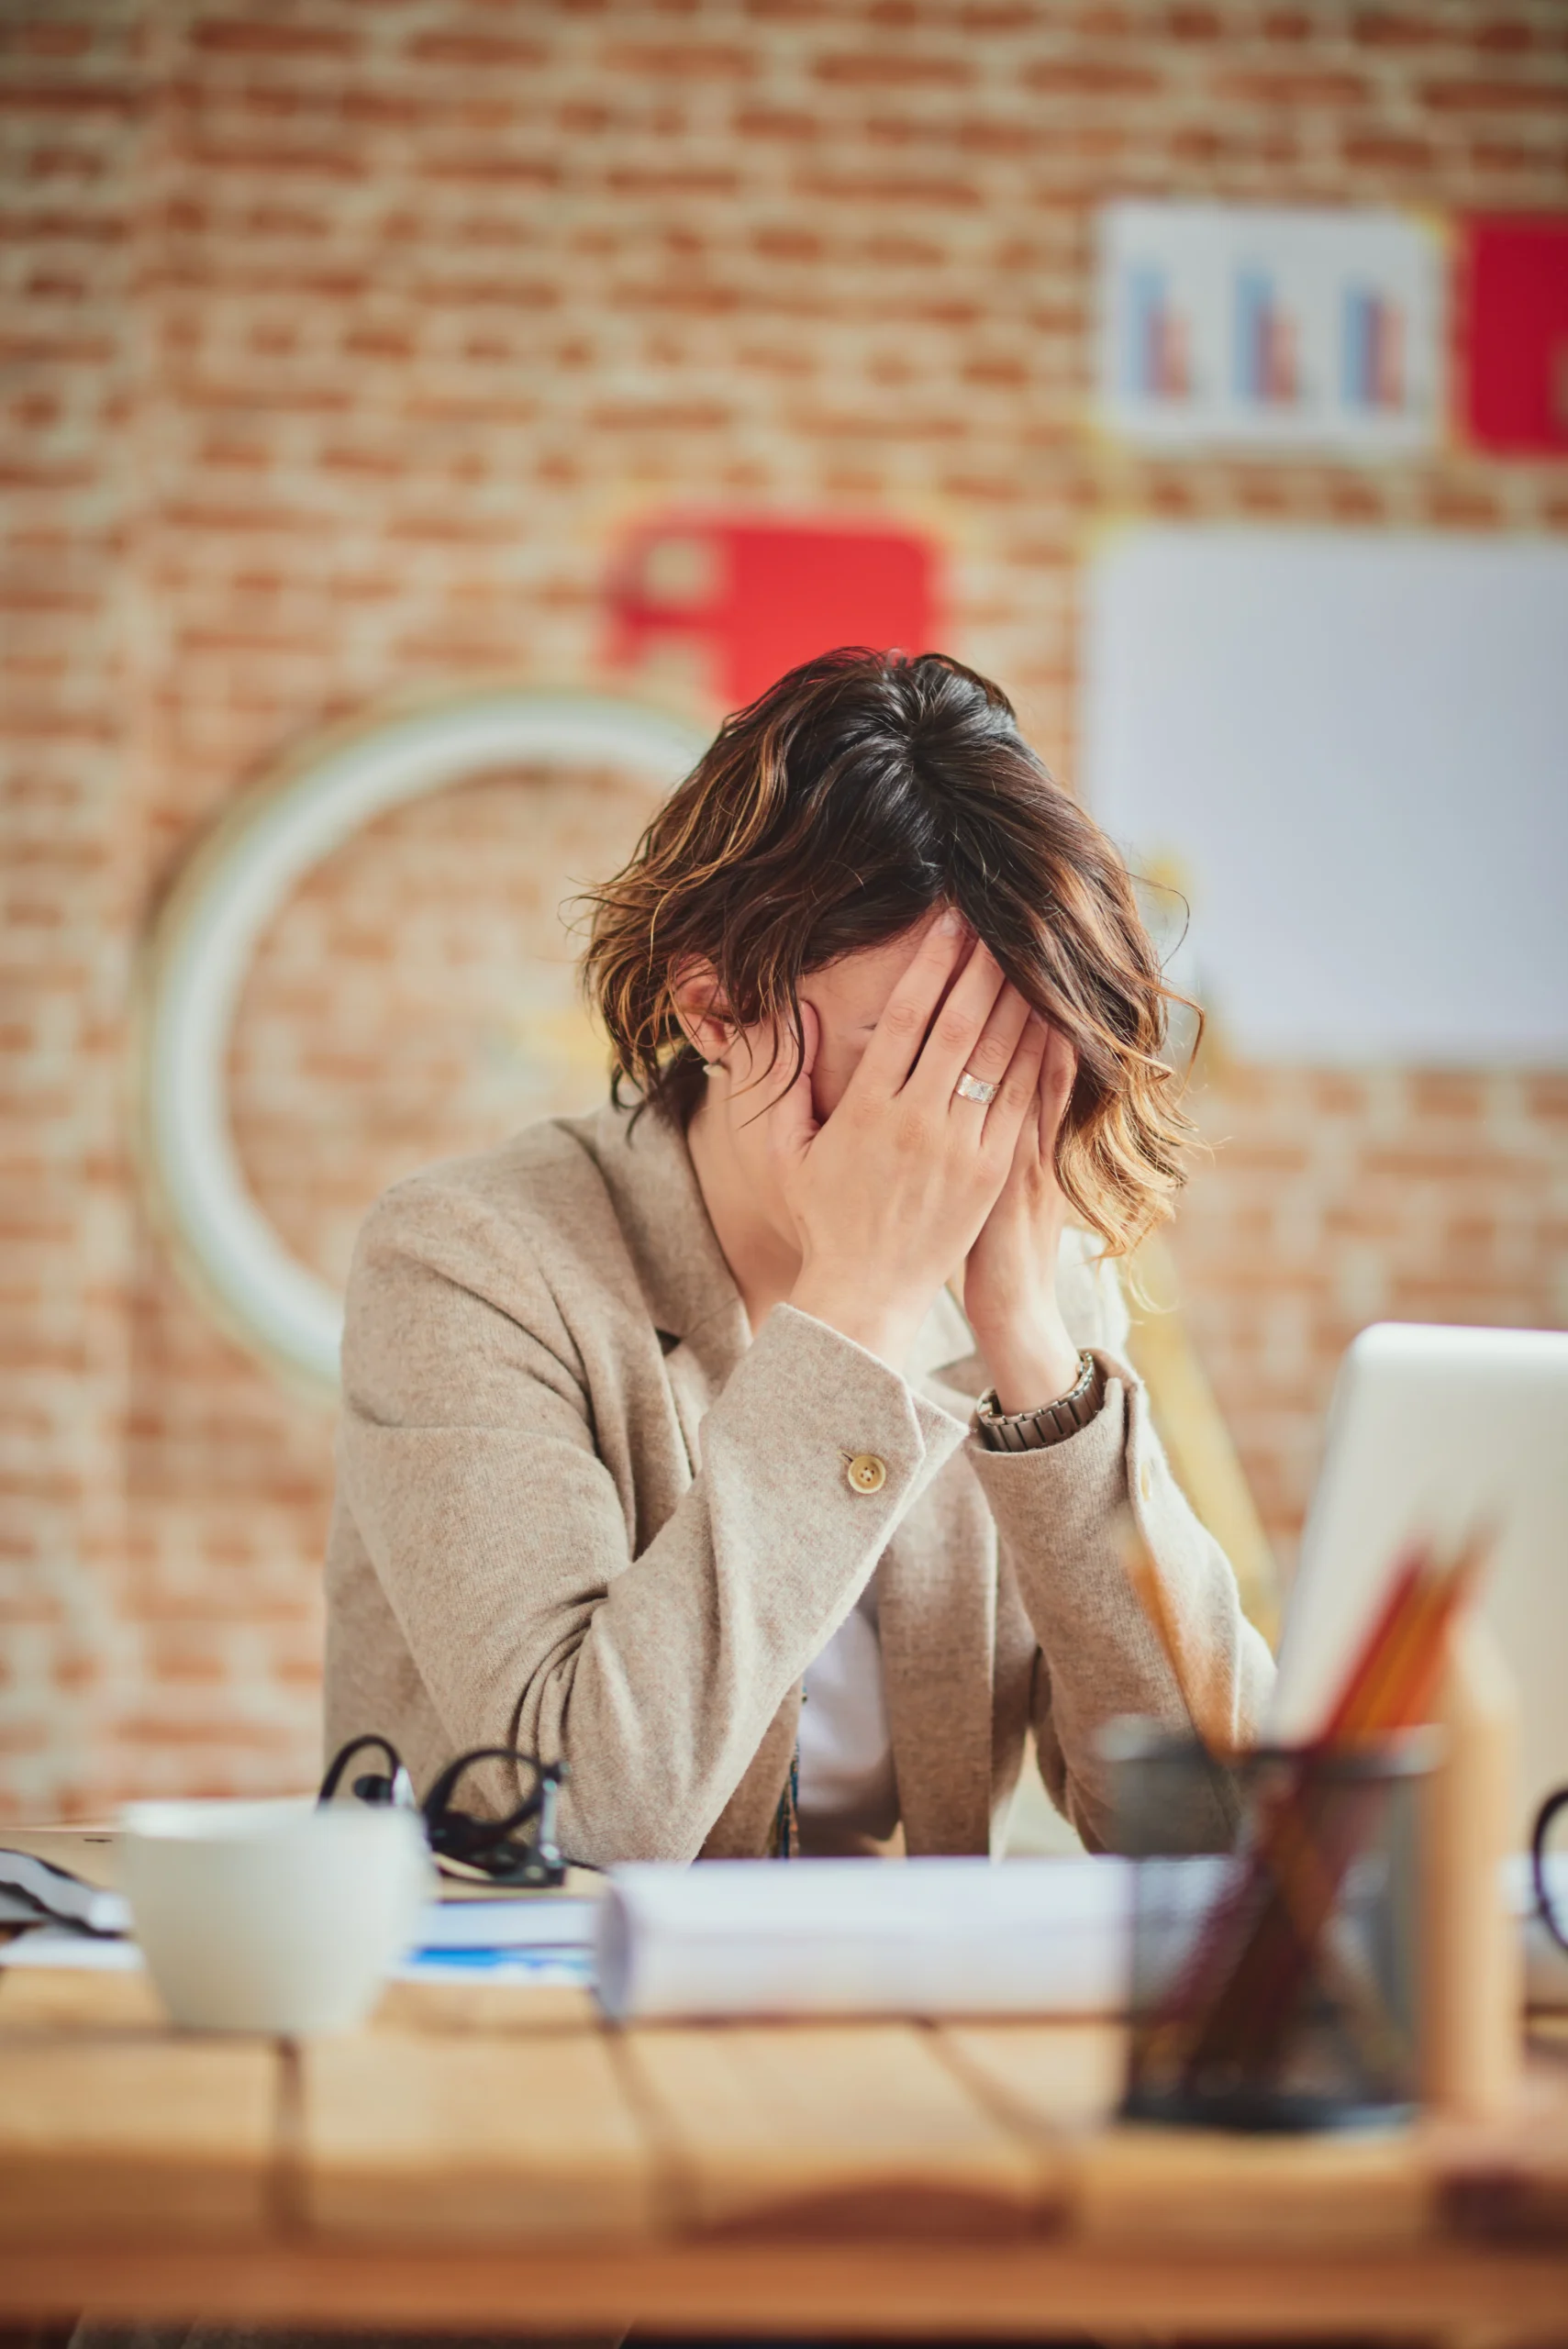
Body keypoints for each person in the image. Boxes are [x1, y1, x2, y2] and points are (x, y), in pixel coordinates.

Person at [325, 650, 1273, 1862]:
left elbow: (1221, 1824)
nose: (960, 1122)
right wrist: (856, 1313)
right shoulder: (471, 1263)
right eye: (914, 1056)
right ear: (714, 1009)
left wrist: (1039, 1359)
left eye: (1010, 1057)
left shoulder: (1042, 1287)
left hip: (879, 2015)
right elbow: (581, 1814)